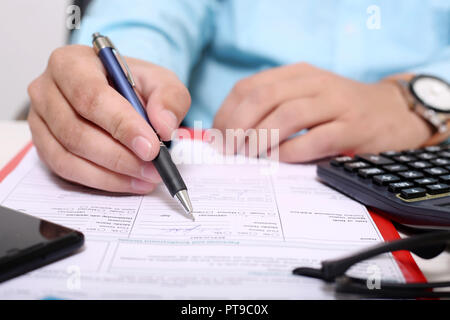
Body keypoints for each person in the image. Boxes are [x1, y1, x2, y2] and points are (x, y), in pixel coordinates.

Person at [27, 0, 450, 194]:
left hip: (421, 168)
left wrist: (423, 99)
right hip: (215, 155)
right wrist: (116, 83)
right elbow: (149, 18)